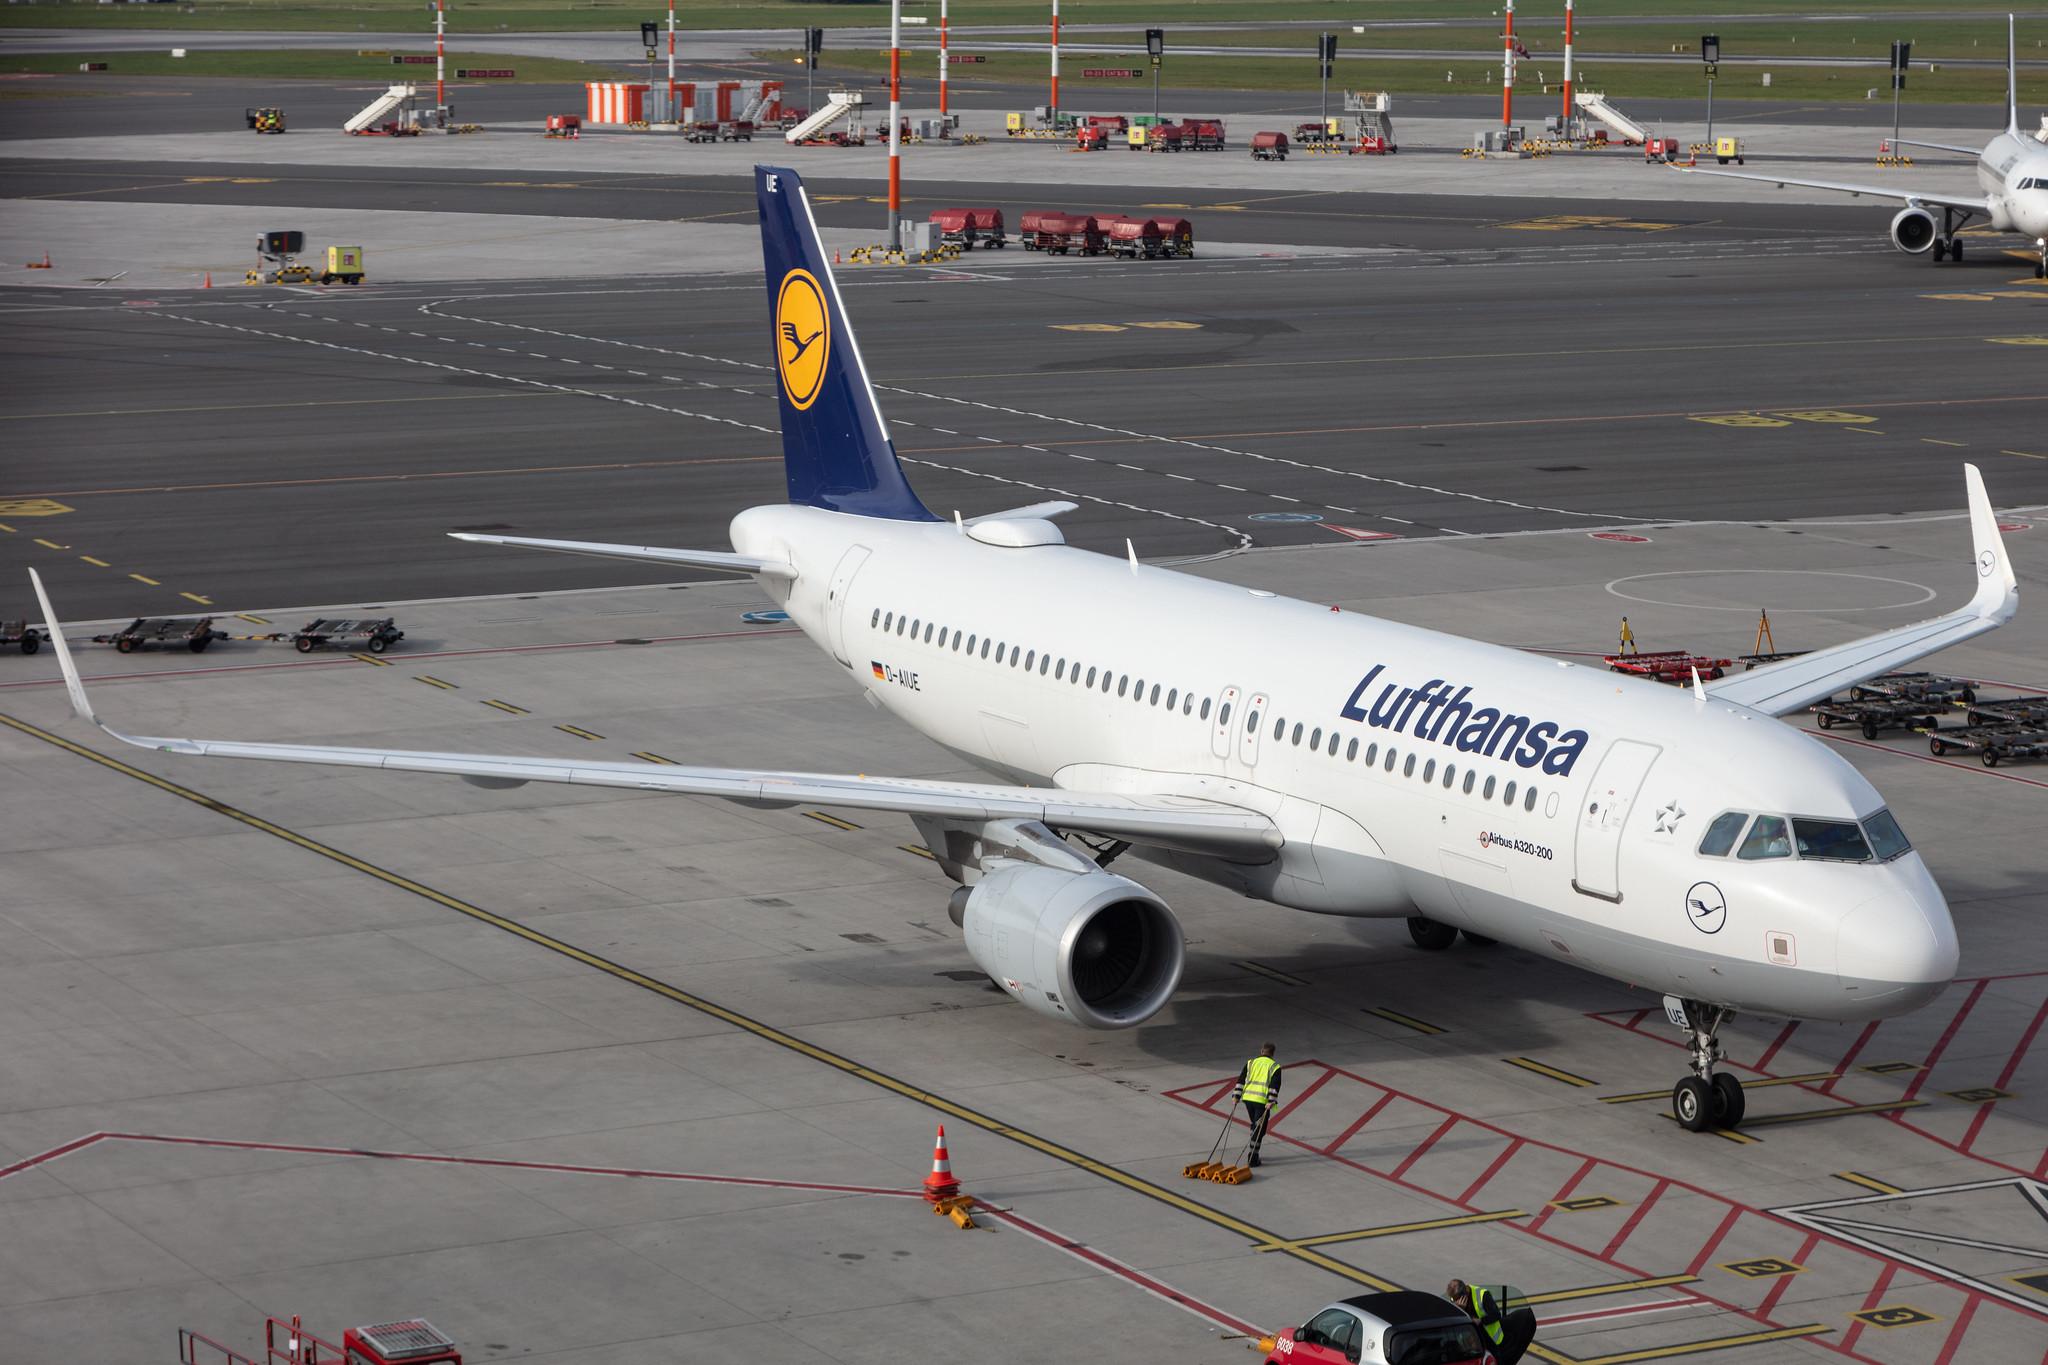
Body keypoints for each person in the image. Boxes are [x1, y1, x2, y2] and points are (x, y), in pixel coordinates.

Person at [1233, 1043, 1282, 1168]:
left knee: (1256, 1125)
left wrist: (1236, 1095)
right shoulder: (1275, 1066)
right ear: (1273, 1053)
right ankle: (1253, 1157)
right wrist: (1271, 1101)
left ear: (1261, 1051)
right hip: (1261, 1102)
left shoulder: (1251, 1063)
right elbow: (1274, 1085)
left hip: (1248, 1099)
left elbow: (1241, 1079)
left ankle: (1253, 1146)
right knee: (1259, 1129)